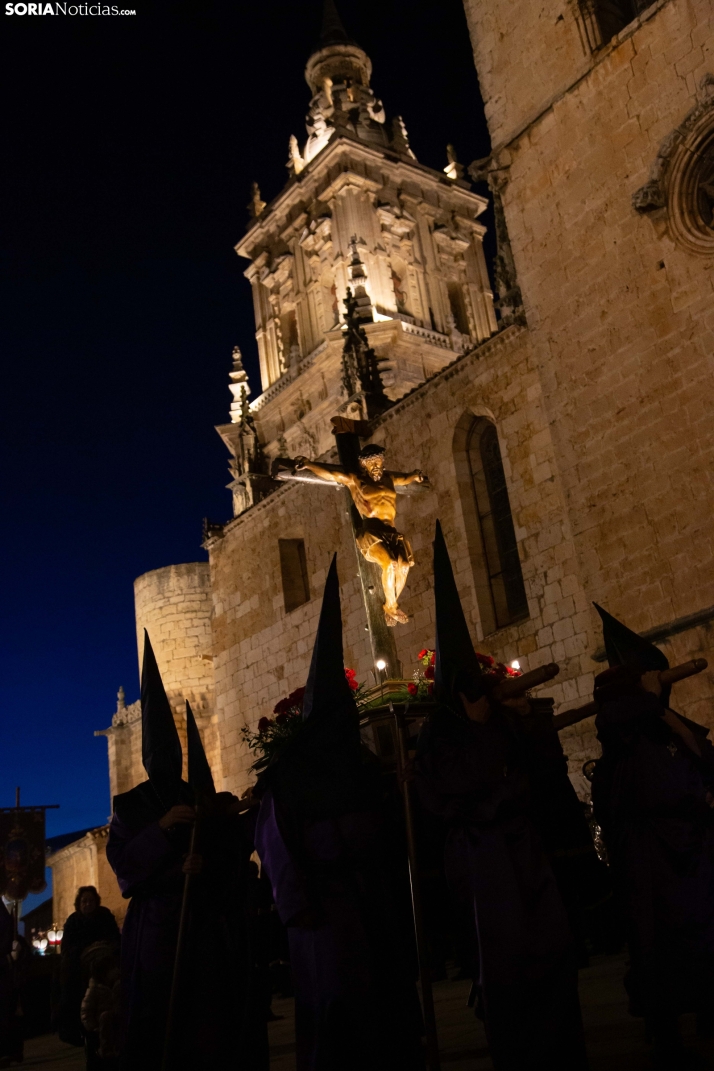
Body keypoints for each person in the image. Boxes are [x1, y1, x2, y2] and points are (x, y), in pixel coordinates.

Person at [414, 521, 587, 1071]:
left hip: (523, 853)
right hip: (483, 859)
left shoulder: (502, 726)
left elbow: (541, 775)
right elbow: (445, 798)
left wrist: (508, 725)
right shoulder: (441, 739)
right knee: (508, 962)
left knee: (551, 953)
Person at [255, 555, 425, 1071]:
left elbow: (395, 825)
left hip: (372, 898)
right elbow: (277, 845)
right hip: (326, 913)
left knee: (389, 1006)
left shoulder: (363, 764)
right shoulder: (289, 776)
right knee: (337, 1008)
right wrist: (304, 904)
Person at [106, 633, 268, 1071]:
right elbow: (122, 864)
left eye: (169, 748)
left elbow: (230, 845)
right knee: (159, 1017)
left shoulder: (197, 792)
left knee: (207, 1016)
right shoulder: (132, 805)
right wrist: (160, 832)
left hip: (201, 922)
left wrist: (209, 860)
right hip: (156, 926)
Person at [591, 604, 714, 1068]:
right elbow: (617, 725)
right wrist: (645, 700)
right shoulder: (623, 736)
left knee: (700, 931)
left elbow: (702, 758)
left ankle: (705, 1010)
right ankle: (664, 1032)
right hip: (650, 858)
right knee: (656, 943)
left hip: (689, 850)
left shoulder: (664, 726)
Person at [294, 445, 425, 625]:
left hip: (392, 531)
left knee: (403, 566)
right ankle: (391, 605)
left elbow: (406, 478)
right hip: (371, 531)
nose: (376, 466)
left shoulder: (389, 479)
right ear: (364, 465)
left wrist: (416, 476)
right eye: (371, 463)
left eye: (378, 461)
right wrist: (309, 465)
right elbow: (331, 474)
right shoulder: (356, 480)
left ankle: (392, 603)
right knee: (391, 564)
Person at [58, 886, 120, 1047]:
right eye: (84, 901)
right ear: (79, 903)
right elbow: (67, 948)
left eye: (91, 901)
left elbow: (115, 937)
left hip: (106, 961)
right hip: (80, 966)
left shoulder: (104, 916)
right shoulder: (73, 921)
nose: (88, 904)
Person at [81, 951, 121, 1070]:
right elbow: (86, 1012)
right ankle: (106, 1051)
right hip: (102, 1026)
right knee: (105, 1017)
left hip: (115, 1022)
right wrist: (93, 1028)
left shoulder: (117, 984)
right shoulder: (95, 990)